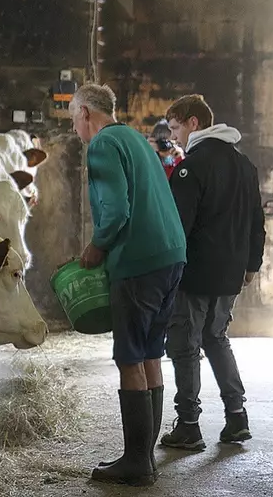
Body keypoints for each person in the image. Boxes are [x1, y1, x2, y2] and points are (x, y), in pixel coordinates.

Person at [70, 84, 187, 486]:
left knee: (130, 359)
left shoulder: (102, 144)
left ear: (86, 112)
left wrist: (96, 247)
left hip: (137, 261)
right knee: (151, 354)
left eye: (73, 119)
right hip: (170, 255)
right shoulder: (137, 139)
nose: (75, 128)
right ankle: (145, 457)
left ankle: (137, 464)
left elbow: (116, 209)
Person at [160, 94, 266, 451]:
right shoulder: (244, 163)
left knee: (185, 346)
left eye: (175, 127)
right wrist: (253, 263)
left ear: (194, 123)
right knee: (217, 338)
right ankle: (237, 417)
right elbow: (256, 219)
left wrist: (167, 268)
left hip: (195, 272)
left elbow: (178, 225)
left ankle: (189, 425)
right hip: (230, 273)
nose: (173, 137)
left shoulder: (192, 166)